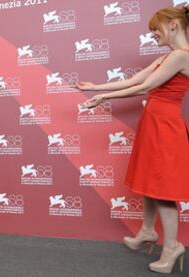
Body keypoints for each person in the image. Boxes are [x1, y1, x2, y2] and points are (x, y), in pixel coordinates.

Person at [77, 6, 189, 274]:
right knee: (149, 183)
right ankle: (148, 231)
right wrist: (97, 87)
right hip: (153, 125)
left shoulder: (181, 56)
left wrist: (105, 98)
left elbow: (145, 87)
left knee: (162, 190)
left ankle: (172, 246)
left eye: (156, 29)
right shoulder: (168, 56)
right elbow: (136, 78)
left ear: (173, 25)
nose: (152, 35)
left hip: (165, 127)